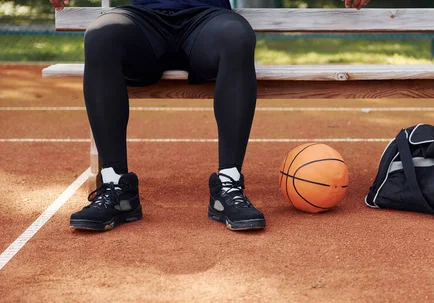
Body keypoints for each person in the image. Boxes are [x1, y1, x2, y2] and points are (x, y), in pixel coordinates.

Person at [48, 0, 371, 231]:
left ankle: (228, 185)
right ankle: (118, 189)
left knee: (237, 36)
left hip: (206, 21)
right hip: (144, 20)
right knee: (101, 35)